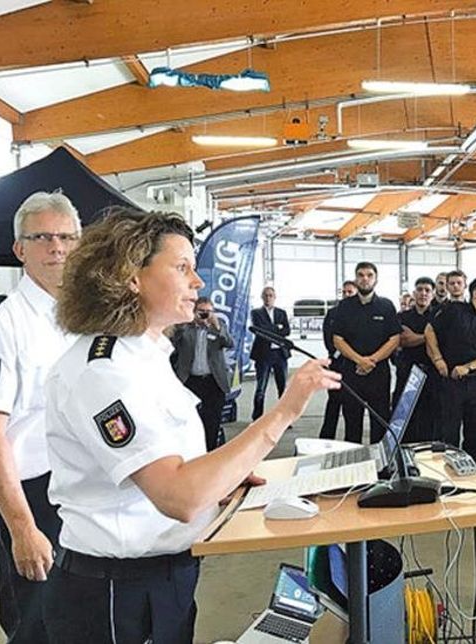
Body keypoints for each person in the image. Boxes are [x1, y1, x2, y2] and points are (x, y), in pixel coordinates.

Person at [42, 208, 338, 644]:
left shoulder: (147, 355)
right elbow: (179, 496)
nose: (197, 282)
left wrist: (224, 479)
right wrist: (283, 413)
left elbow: (178, 463)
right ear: (131, 277)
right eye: (182, 268)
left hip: (163, 575)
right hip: (116, 593)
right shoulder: (103, 372)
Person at [0, 191, 81, 643]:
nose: (57, 248)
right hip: (22, 489)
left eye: (66, 237)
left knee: (70, 612)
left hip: (71, 482)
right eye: (42, 237)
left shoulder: (77, 319)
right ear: (19, 249)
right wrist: (23, 527)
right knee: (36, 616)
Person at [425, 277, 476, 464]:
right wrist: (438, 359)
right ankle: (446, 470)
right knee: (449, 431)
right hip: (451, 381)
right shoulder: (454, 310)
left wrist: (468, 367)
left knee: (474, 430)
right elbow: (429, 331)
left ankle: (471, 469)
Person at [332, 262, 401, 444]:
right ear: (356, 279)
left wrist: (372, 360)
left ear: (376, 279)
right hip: (351, 373)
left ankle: (379, 462)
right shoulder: (344, 306)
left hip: (379, 374)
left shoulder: (386, 306)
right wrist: (359, 360)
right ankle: (354, 460)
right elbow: (337, 339)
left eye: (369, 275)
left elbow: (394, 339)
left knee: (380, 423)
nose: (365, 279)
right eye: (361, 275)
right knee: (352, 424)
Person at [169, 297, 234, 451]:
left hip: (213, 381)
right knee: (187, 420)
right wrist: (187, 323)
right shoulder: (185, 327)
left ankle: (210, 453)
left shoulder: (218, 326)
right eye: (201, 311)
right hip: (190, 381)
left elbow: (229, 343)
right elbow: (172, 342)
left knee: (212, 421)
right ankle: (190, 452)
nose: (204, 314)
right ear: (194, 311)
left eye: (208, 311)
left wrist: (216, 326)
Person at [395, 277, 436, 442]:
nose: (423, 293)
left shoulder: (439, 315)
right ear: (414, 293)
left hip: (431, 374)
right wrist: (429, 337)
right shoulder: (402, 316)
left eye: (427, 290)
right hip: (407, 371)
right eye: (420, 290)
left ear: (433, 294)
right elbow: (402, 340)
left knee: (429, 419)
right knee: (404, 418)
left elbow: (443, 340)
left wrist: (415, 337)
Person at [319, 281, 357, 439]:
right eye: (345, 292)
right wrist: (337, 353)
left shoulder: (360, 313)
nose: (347, 295)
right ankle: (326, 437)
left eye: (350, 292)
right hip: (336, 363)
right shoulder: (333, 313)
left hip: (354, 365)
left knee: (351, 406)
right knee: (333, 402)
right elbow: (328, 337)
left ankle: (351, 439)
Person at [249, 286, 291, 421]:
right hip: (263, 354)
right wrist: (277, 328)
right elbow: (259, 330)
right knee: (261, 389)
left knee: (283, 388)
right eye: (266, 295)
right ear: (262, 297)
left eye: (270, 295)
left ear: (275, 297)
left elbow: (287, 331)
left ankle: (284, 418)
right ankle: (257, 418)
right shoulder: (256, 313)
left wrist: (270, 329)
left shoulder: (281, 313)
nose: (268, 298)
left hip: (280, 354)